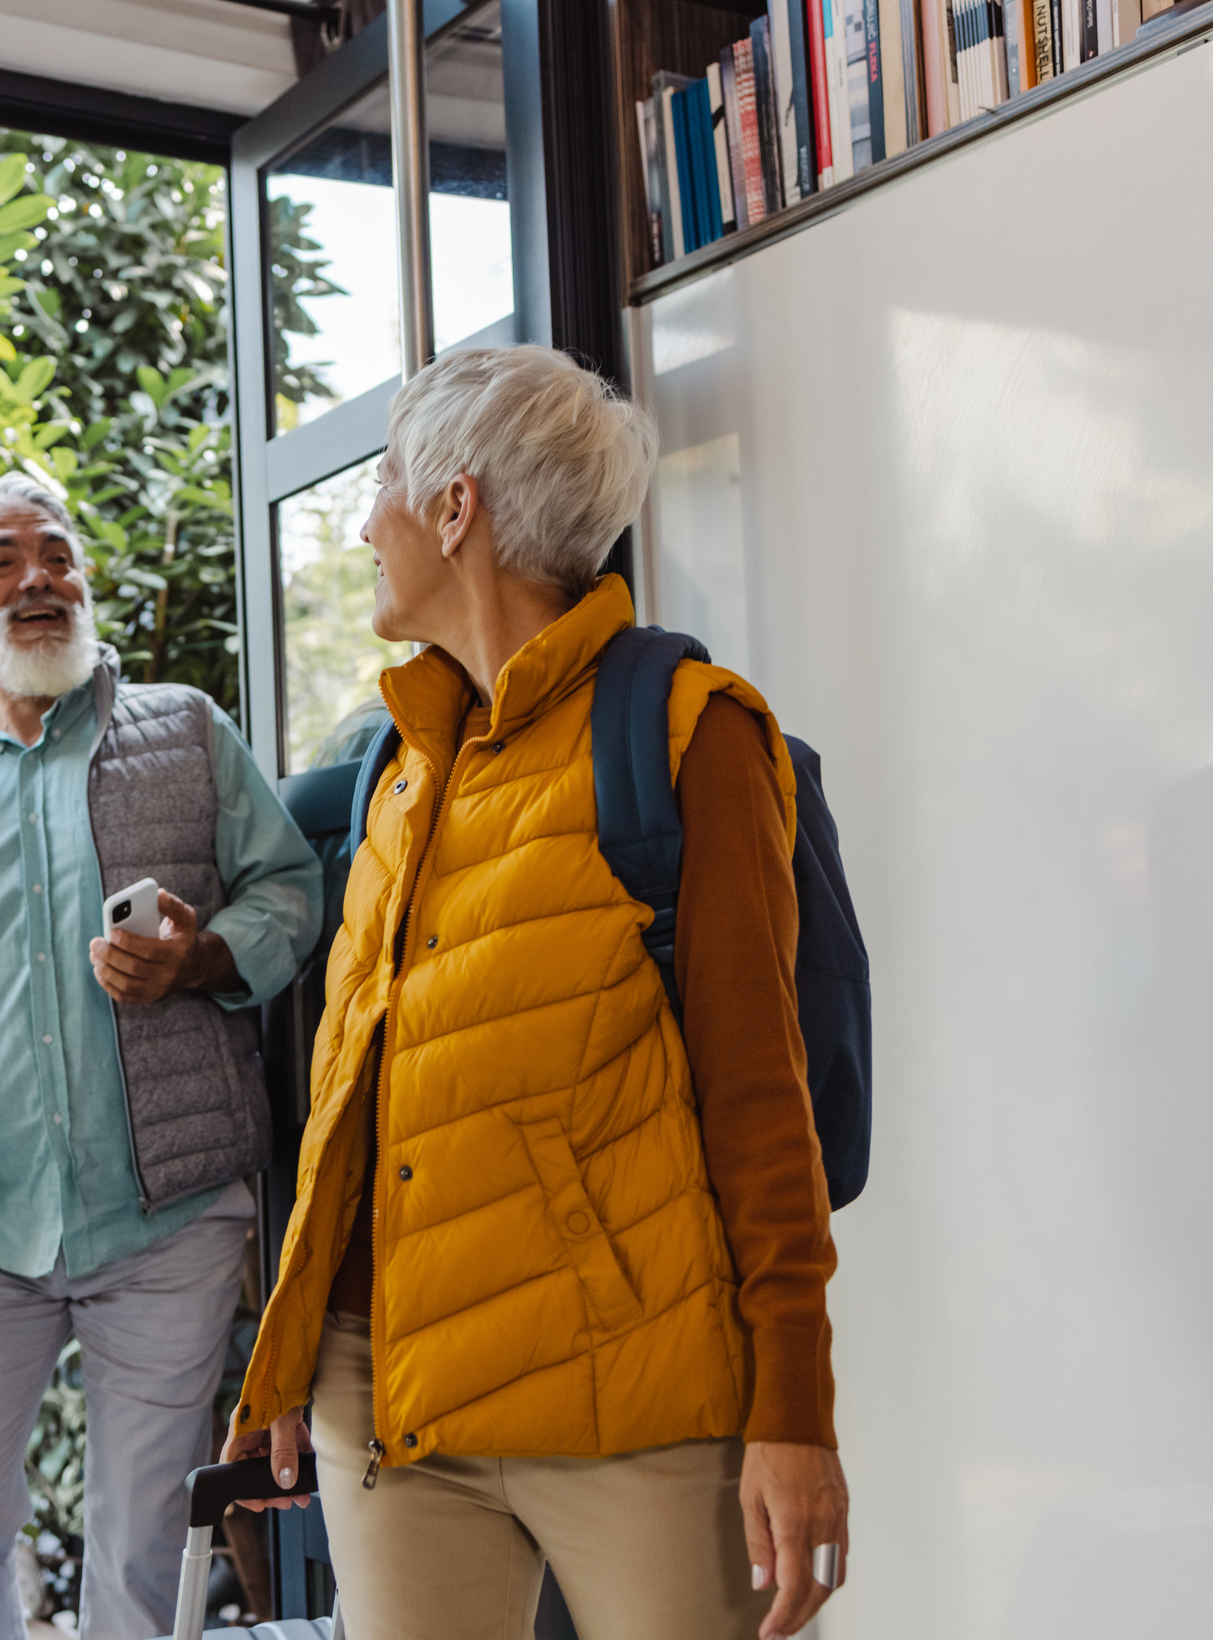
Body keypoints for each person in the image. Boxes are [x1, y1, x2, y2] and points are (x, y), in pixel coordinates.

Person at [223, 346, 849, 1640]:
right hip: (385, 1396)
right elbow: (354, 1089)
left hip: (631, 1399)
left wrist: (793, 1412)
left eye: (386, 481)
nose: (365, 521)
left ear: (456, 509)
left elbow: (759, 1105)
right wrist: (289, 1354)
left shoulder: (689, 734)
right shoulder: (402, 761)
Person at [0, 473, 323, 1640]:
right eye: (0, 558)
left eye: (56, 553)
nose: (37, 576)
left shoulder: (184, 731)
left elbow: (292, 889)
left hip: (168, 1220)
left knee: (139, 1548)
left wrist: (203, 959)